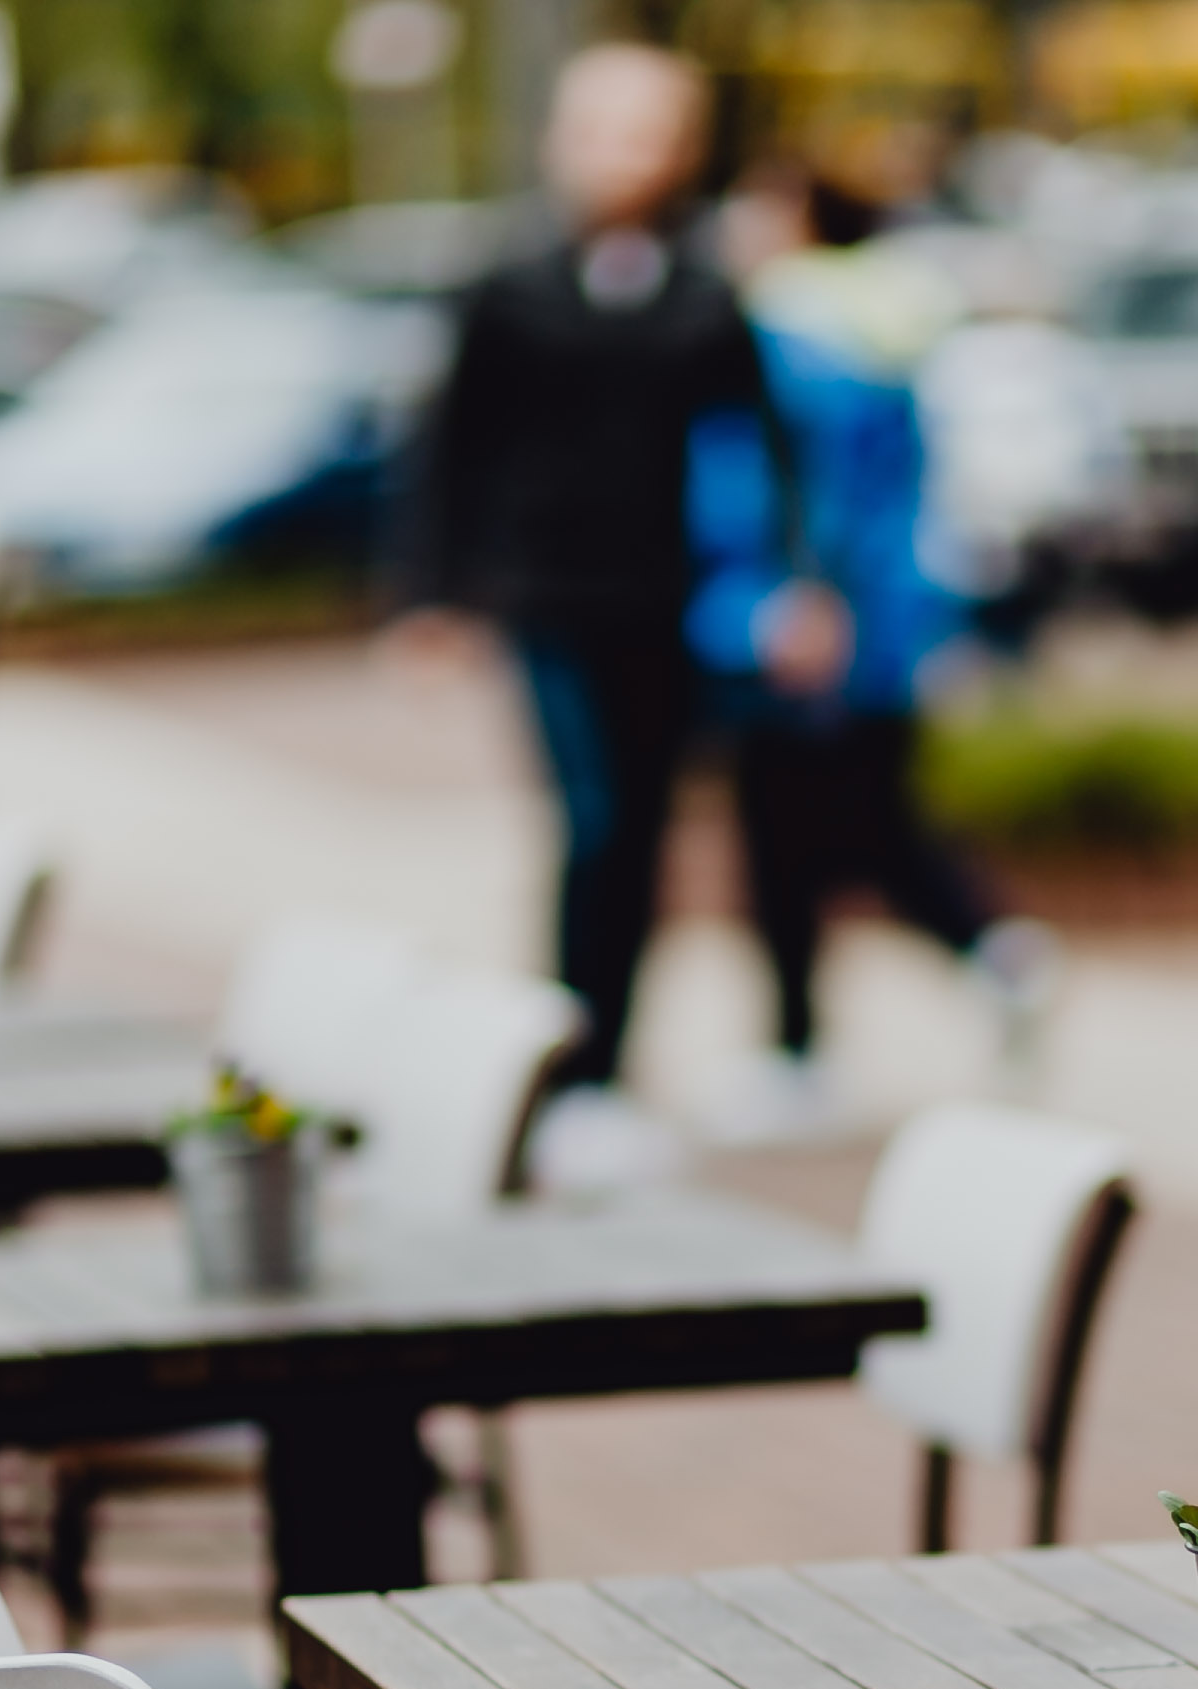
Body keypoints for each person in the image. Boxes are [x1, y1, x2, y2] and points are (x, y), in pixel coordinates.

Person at [391, 44, 836, 1188]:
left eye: (650, 134)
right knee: (592, 824)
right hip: (546, 599)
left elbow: (769, 441)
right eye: (604, 131)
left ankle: (610, 1069)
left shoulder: (703, 288)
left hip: (665, 600)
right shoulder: (509, 283)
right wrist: (431, 597)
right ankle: (571, 1072)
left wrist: (795, 580)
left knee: (641, 832)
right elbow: (449, 447)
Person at [690, 169, 1055, 1145]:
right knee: (877, 826)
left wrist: (777, 606)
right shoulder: (899, 324)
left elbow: (767, 487)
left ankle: (799, 1052)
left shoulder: (784, 337)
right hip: (888, 632)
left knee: (786, 848)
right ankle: (994, 957)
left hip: (801, 633)